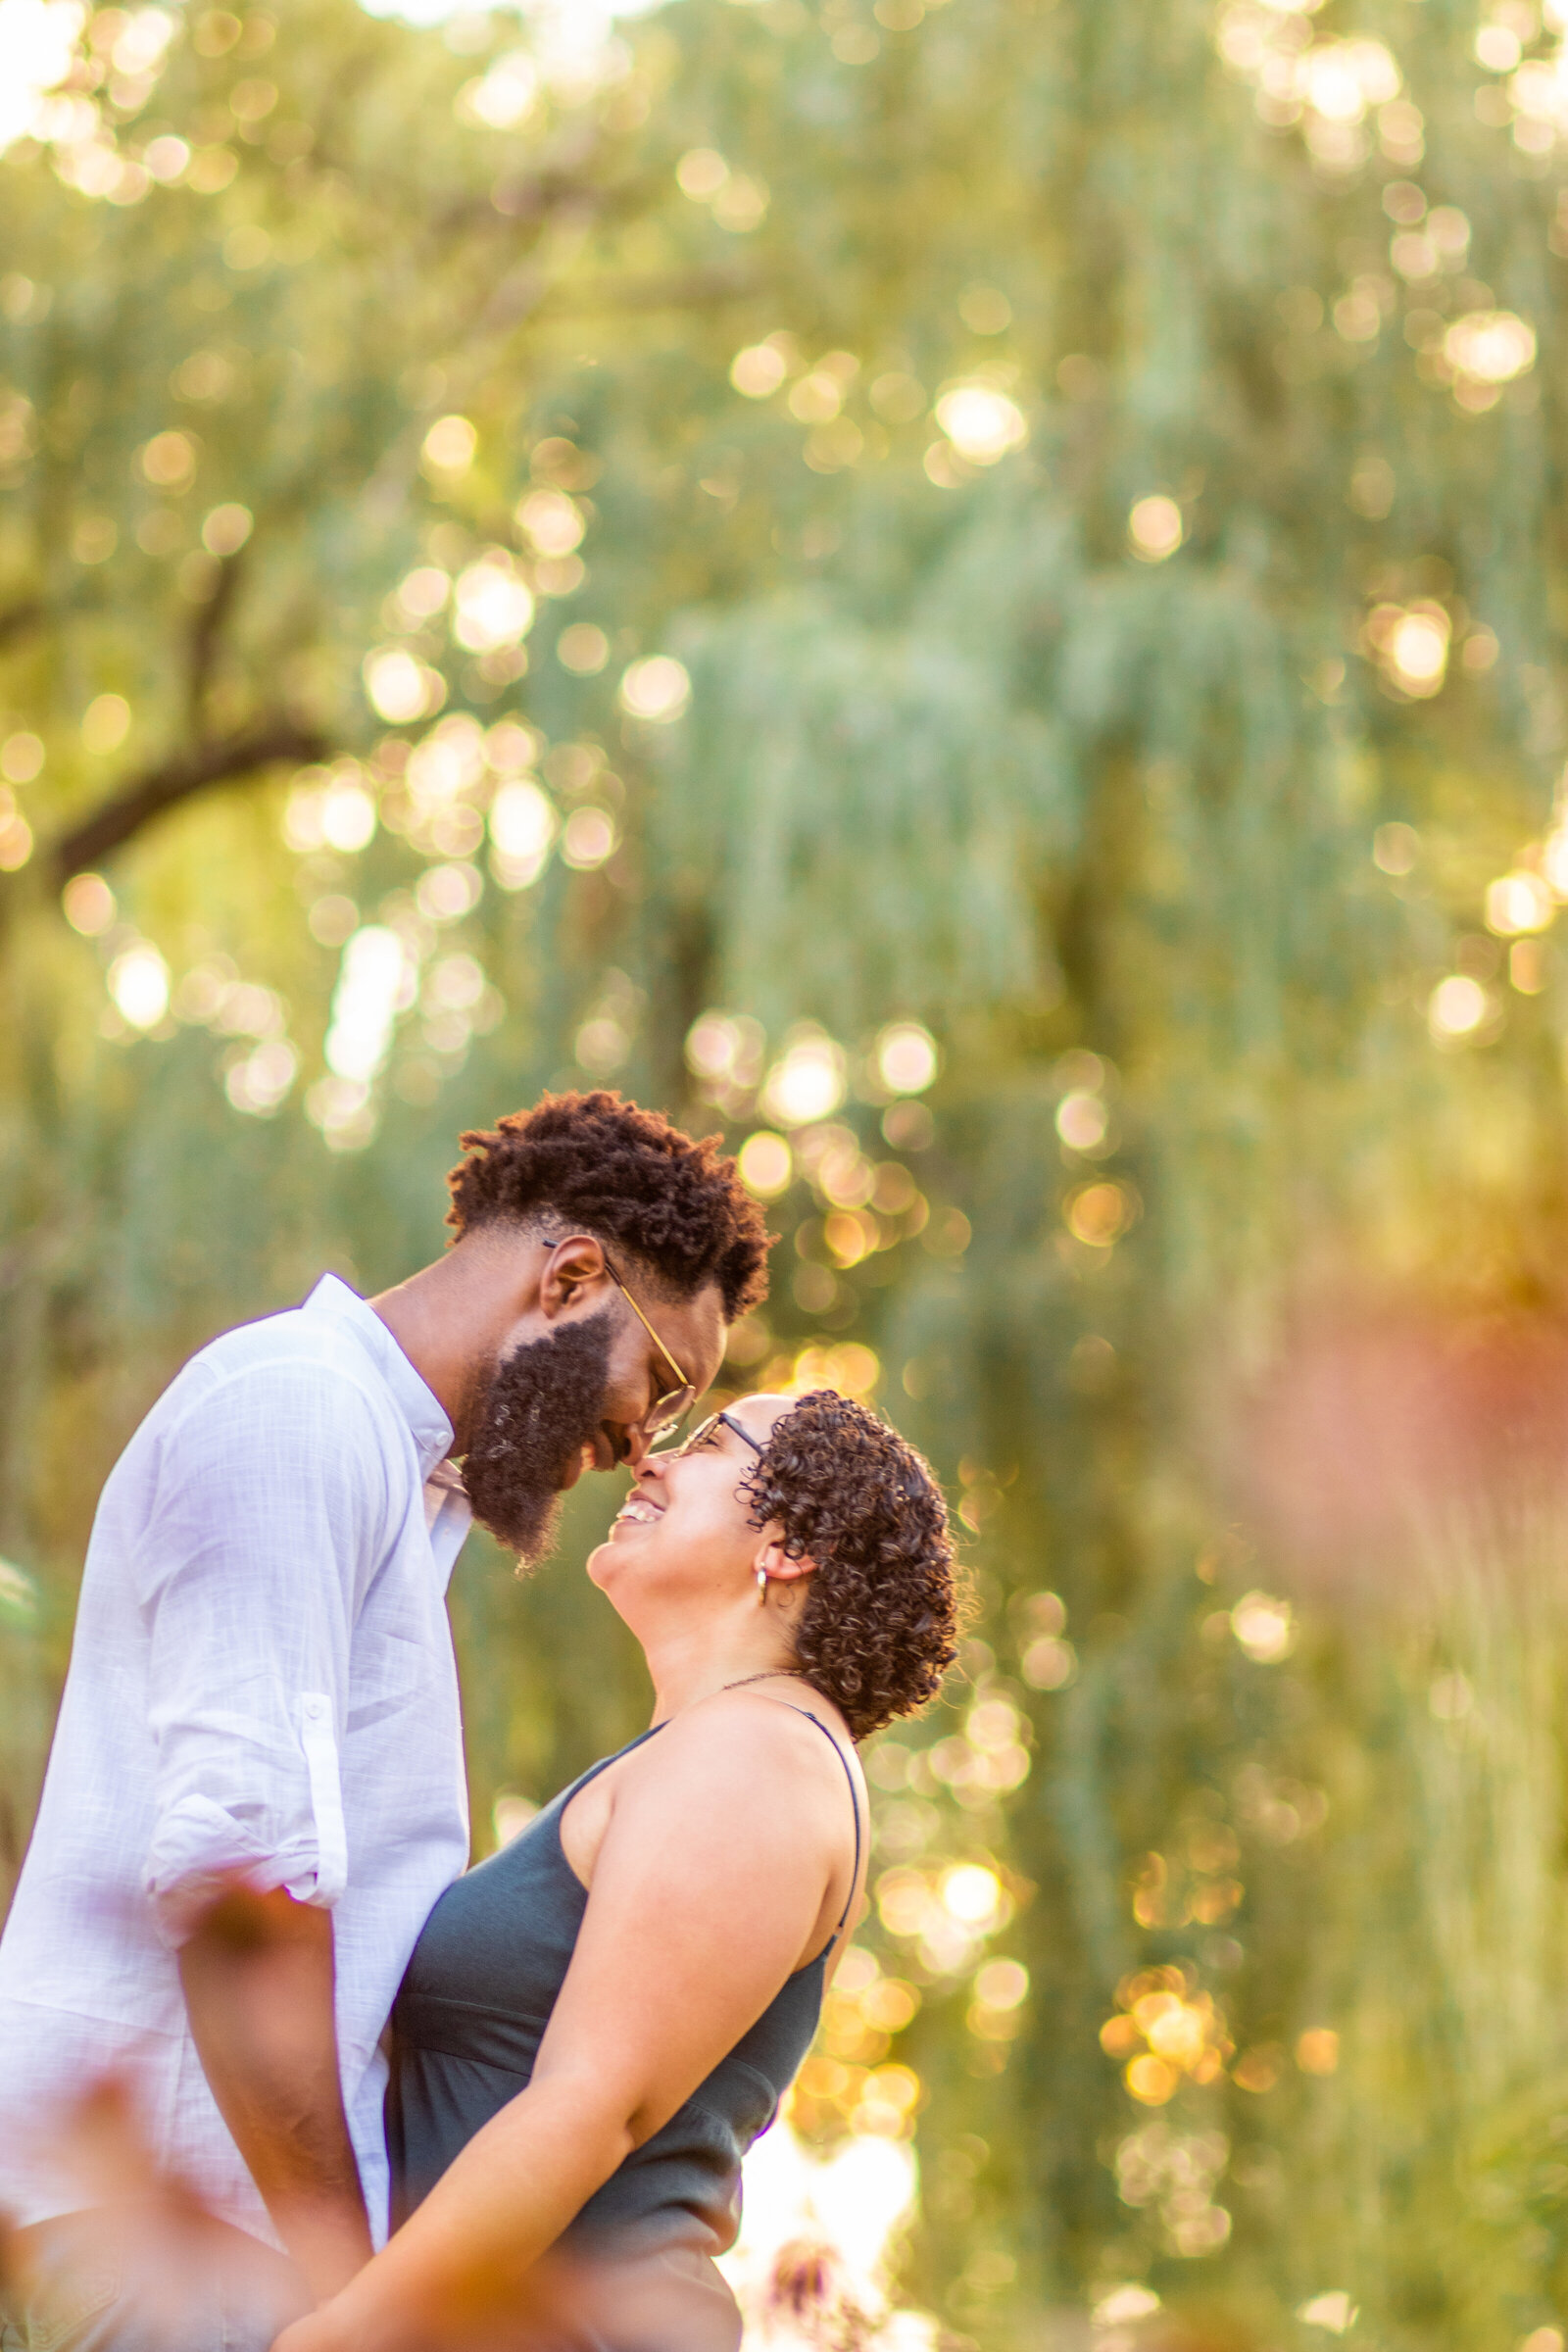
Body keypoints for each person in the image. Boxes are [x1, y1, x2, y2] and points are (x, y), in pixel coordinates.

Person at [0, 1091, 770, 2352]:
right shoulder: (294, 1416)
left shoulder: (398, 1479)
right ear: (572, 1277)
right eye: (664, 1385)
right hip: (167, 2240)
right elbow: (241, 1882)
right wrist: (352, 2302)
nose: (644, 1443)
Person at [272, 1385, 958, 2352]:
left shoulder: (756, 1755)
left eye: (713, 1442)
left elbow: (589, 2108)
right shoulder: (713, 1748)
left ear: (792, 1546)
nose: (653, 1459)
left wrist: (339, 2337)